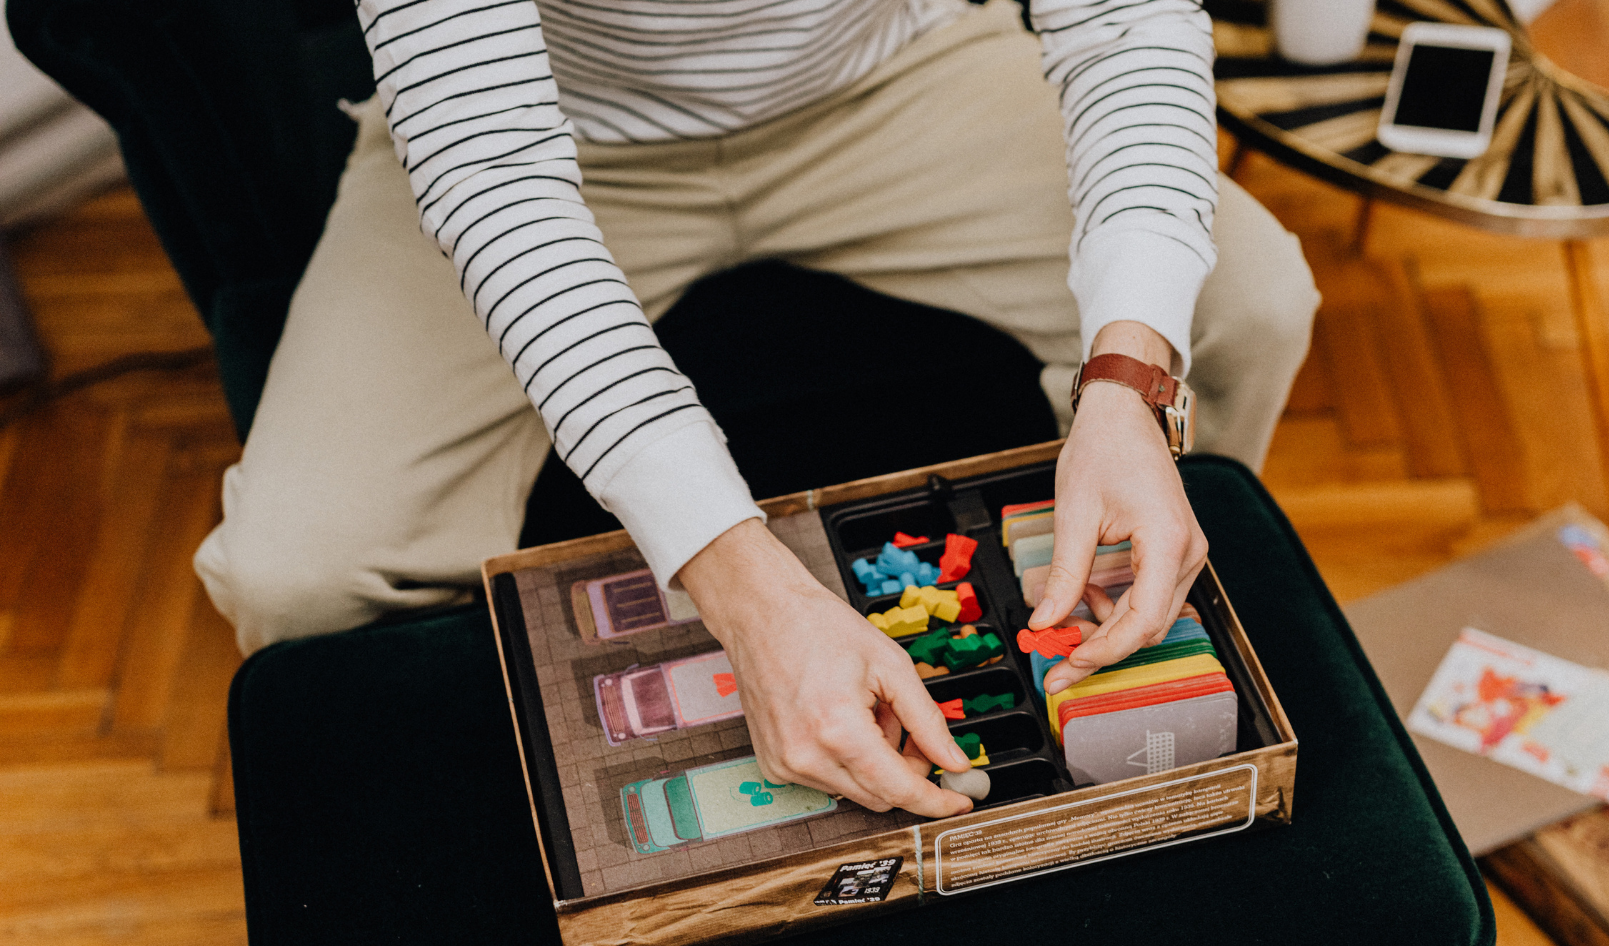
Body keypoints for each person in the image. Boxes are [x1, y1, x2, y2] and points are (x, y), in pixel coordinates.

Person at [192, 0, 1320, 820]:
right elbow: (499, 186)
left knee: (1253, 304)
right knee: (295, 571)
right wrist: (741, 582)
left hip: (900, 75)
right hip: (554, 142)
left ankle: (1147, 616)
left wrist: (1127, 381)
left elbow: (1126, 19)